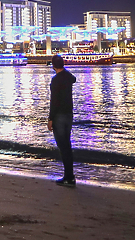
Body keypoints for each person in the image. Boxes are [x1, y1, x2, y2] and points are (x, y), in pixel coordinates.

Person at [48, 54, 76, 186]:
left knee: (63, 146)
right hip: (69, 115)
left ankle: (68, 177)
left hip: (58, 116)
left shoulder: (55, 80)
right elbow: (73, 78)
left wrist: (50, 118)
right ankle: (70, 176)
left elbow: (54, 102)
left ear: (53, 66)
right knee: (67, 145)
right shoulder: (68, 78)